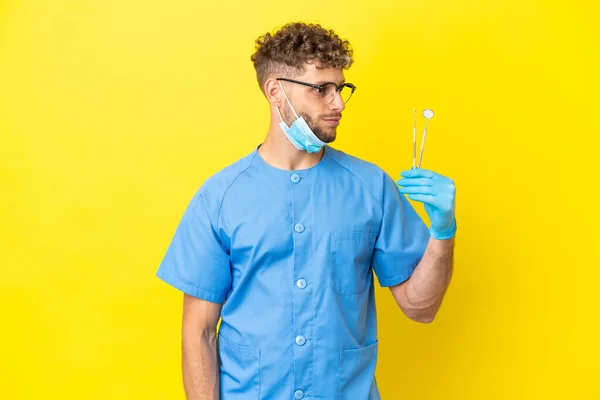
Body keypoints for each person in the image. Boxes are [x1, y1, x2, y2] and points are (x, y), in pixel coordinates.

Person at [156, 21, 457, 400]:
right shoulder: (220, 197)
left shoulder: (370, 187)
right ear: (275, 91)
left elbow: (420, 307)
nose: (339, 103)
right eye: (321, 89)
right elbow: (198, 332)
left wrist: (443, 231)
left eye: (341, 88)